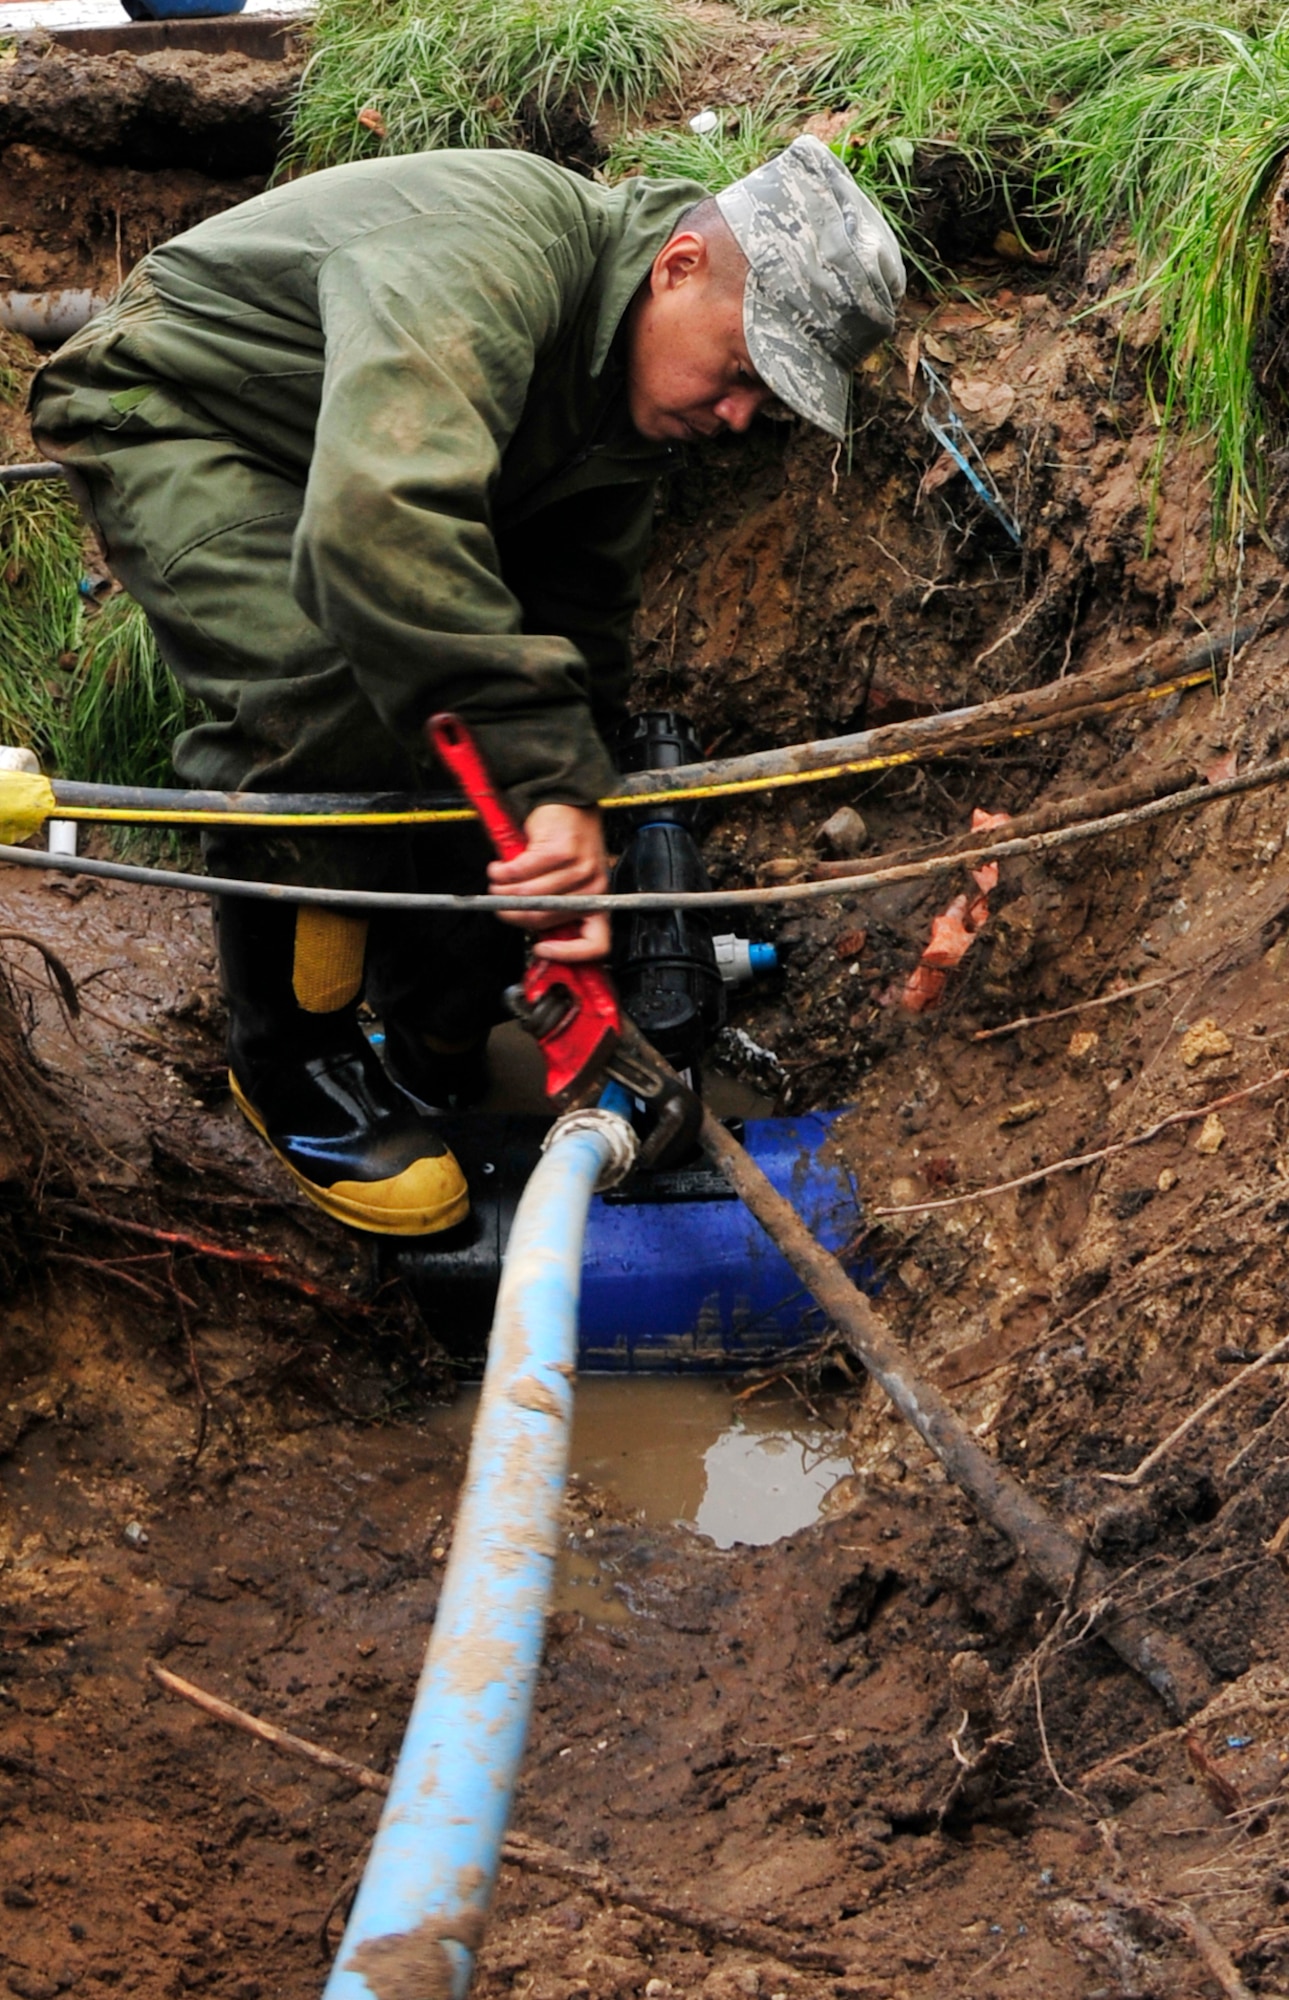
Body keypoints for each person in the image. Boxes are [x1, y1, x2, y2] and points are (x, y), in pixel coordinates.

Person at [29, 134, 905, 1237]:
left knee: (506, 724)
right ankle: (292, 1065)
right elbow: (376, 519)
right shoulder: (490, 252)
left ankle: (434, 1019)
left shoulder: (619, 396)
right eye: (739, 371)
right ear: (678, 265)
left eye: (764, 400)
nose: (737, 417)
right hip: (192, 410)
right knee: (327, 676)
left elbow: (573, 627)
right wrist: (539, 766)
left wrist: (566, 812)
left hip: (350, 453)